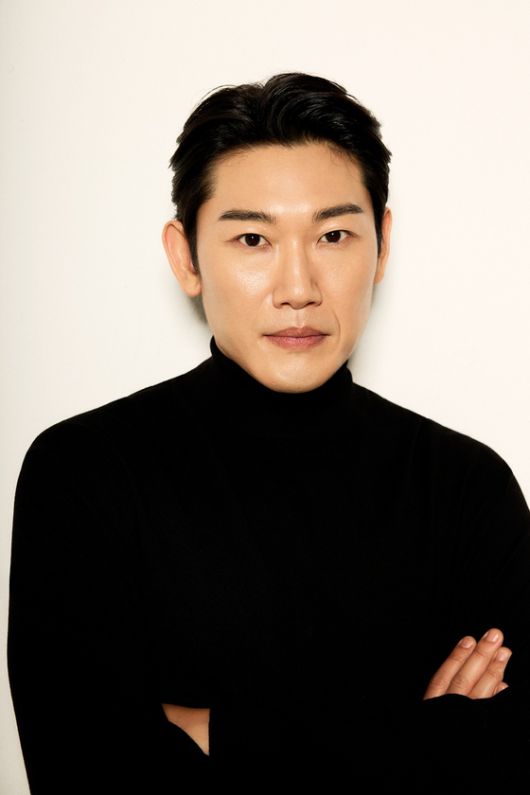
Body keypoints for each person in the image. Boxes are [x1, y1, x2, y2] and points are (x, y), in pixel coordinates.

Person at [7, 72, 530, 793]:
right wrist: (424, 738)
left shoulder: (466, 485)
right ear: (186, 256)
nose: (298, 288)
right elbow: (85, 770)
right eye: (253, 238)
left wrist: (213, 734)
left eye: (334, 235)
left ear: (382, 245)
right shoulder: (84, 472)